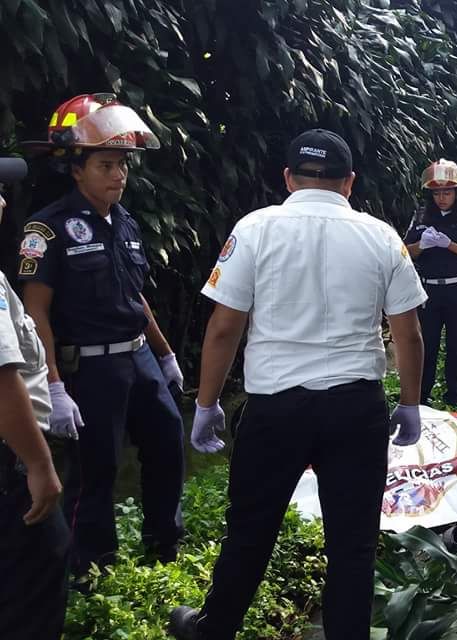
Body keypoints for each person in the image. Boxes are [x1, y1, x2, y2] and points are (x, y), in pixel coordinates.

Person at [169, 129, 428, 640]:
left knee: (250, 529)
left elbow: (224, 327)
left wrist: (205, 404)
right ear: (349, 183)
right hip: (357, 410)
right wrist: (411, 403)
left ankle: (214, 628)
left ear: (287, 178)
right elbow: (410, 334)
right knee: (352, 543)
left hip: (276, 410)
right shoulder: (381, 237)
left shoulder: (256, 228)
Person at [18, 94, 186, 573]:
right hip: (87, 367)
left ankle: (164, 546)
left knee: (167, 441)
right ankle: (92, 567)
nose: (119, 176)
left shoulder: (126, 222)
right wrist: (53, 384)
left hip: (137, 357)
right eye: (107, 165)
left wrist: (166, 354)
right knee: (97, 469)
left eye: (123, 166)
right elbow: (36, 314)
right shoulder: (47, 229)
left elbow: (135, 296)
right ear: (76, 169)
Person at [0, 156, 69, 640]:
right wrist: (40, 466)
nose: (3, 201)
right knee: (34, 583)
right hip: (9, 464)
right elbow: (3, 380)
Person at [403, 159, 457, 407]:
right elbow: (404, 251)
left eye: (447, 192)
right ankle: (422, 396)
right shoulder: (420, 216)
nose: (442, 198)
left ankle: (454, 395)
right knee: (426, 344)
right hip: (429, 289)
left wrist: (450, 245)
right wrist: (422, 245)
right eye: (437, 193)